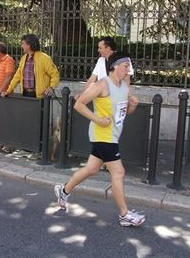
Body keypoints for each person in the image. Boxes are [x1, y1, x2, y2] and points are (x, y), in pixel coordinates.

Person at [54, 51, 146, 227]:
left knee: (91, 168)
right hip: (102, 135)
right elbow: (79, 104)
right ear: (115, 66)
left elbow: (124, 113)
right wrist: (97, 120)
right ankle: (124, 215)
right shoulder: (102, 85)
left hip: (113, 134)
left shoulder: (125, 87)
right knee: (118, 172)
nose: (129, 70)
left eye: (129, 66)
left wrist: (132, 106)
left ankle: (63, 190)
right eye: (126, 66)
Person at [3, 34, 59, 98]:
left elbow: (54, 74)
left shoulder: (44, 58)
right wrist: (8, 90)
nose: (21, 46)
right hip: (25, 94)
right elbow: (17, 76)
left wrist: (51, 87)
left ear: (29, 45)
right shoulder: (23, 58)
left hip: (41, 96)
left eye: (23, 44)